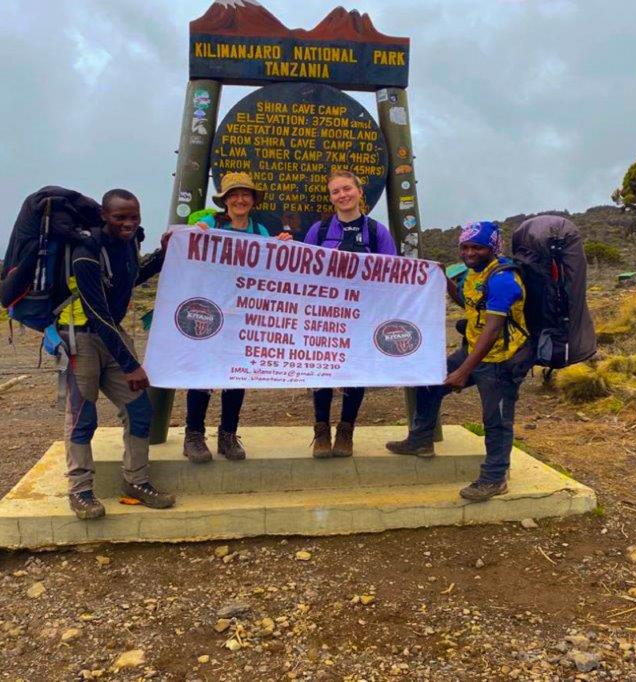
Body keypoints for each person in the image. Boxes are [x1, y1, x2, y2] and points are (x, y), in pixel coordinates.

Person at [386, 221, 534, 502]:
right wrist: (444, 279)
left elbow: (491, 331)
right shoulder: (475, 274)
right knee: (429, 383)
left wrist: (463, 372)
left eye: (477, 247)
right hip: (473, 353)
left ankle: (494, 478)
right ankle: (421, 439)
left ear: (492, 248)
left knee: (496, 421)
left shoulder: (503, 280)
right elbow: (467, 303)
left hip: (500, 360)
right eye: (465, 247)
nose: (469, 252)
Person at [58, 188, 174, 519]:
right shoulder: (86, 251)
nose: (128, 222)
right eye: (120, 217)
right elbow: (96, 311)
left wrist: (162, 255)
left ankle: (136, 481)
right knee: (83, 416)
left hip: (112, 336)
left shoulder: (128, 244)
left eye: (133, 217)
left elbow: (130, 278)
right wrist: (131, 364)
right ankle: (80, 490)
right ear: (104, 216)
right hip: (79, 339)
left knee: (139, 410)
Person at [182, 172, 292, 464]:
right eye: (233, 194)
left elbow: (271, 271)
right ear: (225, 200)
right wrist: (197, 233)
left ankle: (228, 434)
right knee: (203, 375)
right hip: (208, 312)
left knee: (235, 376)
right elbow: (188, 246)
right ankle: (193, 435)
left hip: (243, 316)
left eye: (245, 194)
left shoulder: (261, 234)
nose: (240, 199)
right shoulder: (209, 225)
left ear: (253, 200)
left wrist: (282, 247)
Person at [303, 169, 397, 459]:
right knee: (321, 370)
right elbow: (300, 271)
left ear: (359, 192)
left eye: (347, 189)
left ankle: (346, 430)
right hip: (323, 314)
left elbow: (392, 272)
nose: (342, 195)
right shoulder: (318, 231)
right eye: (336, 192)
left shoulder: (376, 231)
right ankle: (321, 431)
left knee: (356, 371)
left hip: (362, 316)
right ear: (331, 198)